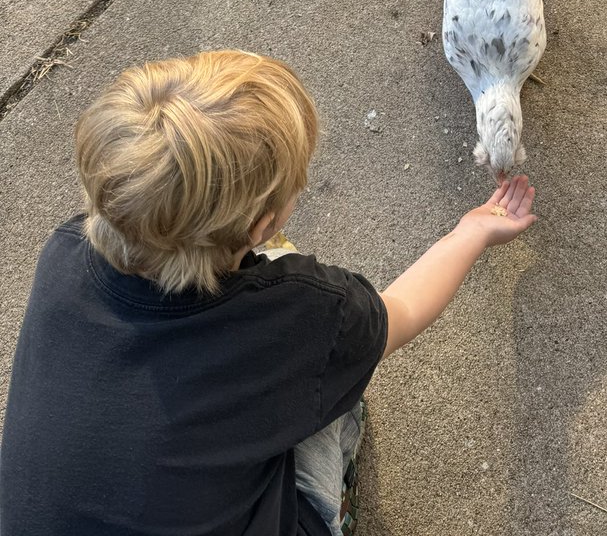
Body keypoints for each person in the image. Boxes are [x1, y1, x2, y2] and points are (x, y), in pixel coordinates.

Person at [0, 49, 535, 536]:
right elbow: (401, 311)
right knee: (334, 373)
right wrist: (472, 231)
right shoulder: (302, 314)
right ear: (261, 226)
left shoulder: (65, 253)